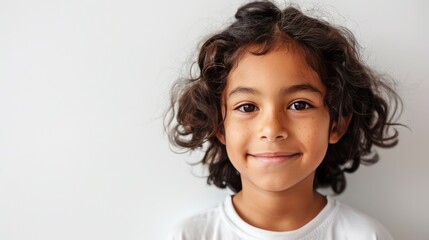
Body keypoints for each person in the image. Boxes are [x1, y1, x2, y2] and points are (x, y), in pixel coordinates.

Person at [165, 1, 402, 239]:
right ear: (218, 125)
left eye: (299, 105)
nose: (272, 129)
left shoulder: (366, 236)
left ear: (337, 123)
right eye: (247, 107)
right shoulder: (189, 235)